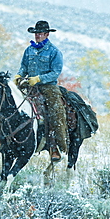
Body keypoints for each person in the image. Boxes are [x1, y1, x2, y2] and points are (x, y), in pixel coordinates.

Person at [14, 20, 68, 162]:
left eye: (40, 33)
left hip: (48, 87)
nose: (37, 36)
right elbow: (23, 67)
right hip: (29, 85)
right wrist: (19, 75)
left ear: (47, 34)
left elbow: (56, 72)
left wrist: (39, 79)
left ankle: (56, 146)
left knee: (56, 112)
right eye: (36, 33)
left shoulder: (54, 52)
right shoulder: (29, 50)